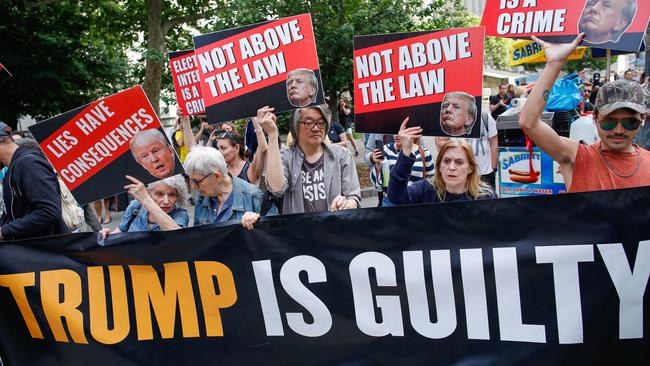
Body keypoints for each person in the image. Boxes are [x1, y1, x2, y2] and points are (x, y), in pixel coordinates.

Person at [519, 33, 650, 192]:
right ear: (595, 119)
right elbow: (529, 122)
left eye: (630, 122)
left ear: (642, 119)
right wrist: (554, 63)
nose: (618, 130)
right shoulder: (576, 156)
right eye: (609, 122)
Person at [263, 104, 361, 214]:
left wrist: (346, 205)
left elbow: (353, 197)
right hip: (298, 229)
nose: (316, 128)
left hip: (334, 228)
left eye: (320, 123)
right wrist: (272, 134)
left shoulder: (342, 155)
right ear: (296, 126)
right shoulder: (285, 158)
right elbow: (276, 189)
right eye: (308, 123)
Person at [388, 120, 495, 204]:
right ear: (439, 166)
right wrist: (406, 151)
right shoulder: (427, 190)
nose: (451, 167)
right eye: (447, 161)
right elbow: (396, 197)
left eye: (459, 162)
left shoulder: (486, 196)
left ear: (470, 168)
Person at [0, 122, 69, 240]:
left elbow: (49, 212)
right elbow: (15, 214)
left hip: (48, 251)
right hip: (34, 250)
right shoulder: (13, 168)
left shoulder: (28, 163)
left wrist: (4, 231)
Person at [183, 146, 275, 226]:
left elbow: (274, 235)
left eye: (197, 181)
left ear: (217, 176)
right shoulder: (202, 198)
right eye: (190, 180)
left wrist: (259, 222)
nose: (194, 186)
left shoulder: (253, 196)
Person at [100, 175, 189, 238]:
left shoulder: (180, 214)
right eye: (159, 194)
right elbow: (122, 229)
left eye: (171, 195)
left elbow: (178, 237)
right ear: (148, 193)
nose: (166, 201)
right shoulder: (135, 206)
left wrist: (147, 201)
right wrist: (109, 236)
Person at [371, 122, 435, 206]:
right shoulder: (386, 150)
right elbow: (378, 186)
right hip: (391, 203)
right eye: (394, 130)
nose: (397, 135)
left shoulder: (423, 152)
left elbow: (432, 182)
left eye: (403, 131)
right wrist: (377, 165)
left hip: (415, 203)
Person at [437, 110, 498, 188]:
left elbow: (493, 143)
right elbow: (442, 145)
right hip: (458, 174)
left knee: (486, 199)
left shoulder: (484, 116)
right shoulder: (447, 117)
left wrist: (493, 167)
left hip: (484, 173)